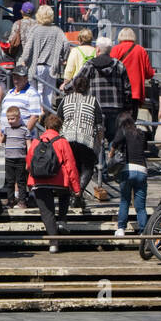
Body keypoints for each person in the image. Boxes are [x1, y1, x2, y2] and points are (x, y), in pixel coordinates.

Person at [26, 112, 81, 253]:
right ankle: (62, 220)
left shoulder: (36, 141)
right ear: (60, 127)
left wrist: (31, 181)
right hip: (59, 179)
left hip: (39, 181)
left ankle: (53, 243)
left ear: (45, 126)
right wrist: (76, 188)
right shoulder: (62, 142)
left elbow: (28, 163)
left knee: (47, 212)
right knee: (65, 194)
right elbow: (71, 165)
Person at [70, 37, 132, 144]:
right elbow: (127, 89)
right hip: (115, 108)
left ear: (97, 49)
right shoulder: (119, 65)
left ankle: (99, 160)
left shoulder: (90, 64)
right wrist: (126, 107)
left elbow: (77, 81)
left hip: (95, 107)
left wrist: (65, 87)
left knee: (95, 139)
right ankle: (111, 159)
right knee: (114, 139)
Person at [59, 69, 104, 209]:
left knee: (72, 168)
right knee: (88, 167)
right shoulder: (93, 101)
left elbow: (58, 118)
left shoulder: (66, 100)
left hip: (67, 139)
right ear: (88, 87)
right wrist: (100, 142)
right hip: (86, 139)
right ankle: (78, 193)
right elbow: (99, 125)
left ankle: (75, 195)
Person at [110, 113, 149, 237]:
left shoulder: (123, 131)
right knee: (141, 206)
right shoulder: (141, 133)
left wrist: (110, 155)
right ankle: (143, 231)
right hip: (142, 170)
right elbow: (145, 148)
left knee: (125, 200)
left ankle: (121, 229)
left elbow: (114, 144)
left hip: (128, 170)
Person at [17, 5, 70, 80]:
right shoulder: (57, 31)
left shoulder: (35, 30)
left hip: (35, 67)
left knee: (35, 91)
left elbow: (28, 48)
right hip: (51, 67)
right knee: (51, 91)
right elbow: (66, 44)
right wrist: (64, 58)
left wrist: (23, 60)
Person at [110, 27, 155, 116]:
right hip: (135, 92)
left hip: (119, 90)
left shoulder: (115, 49)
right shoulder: (141, 50)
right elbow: (149, 73)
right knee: (132, 120)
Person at [0, 105, 30, 209]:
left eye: (12, 119)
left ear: (19, 117)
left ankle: (22, 201)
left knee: (21, 181)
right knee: (10, 181)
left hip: (20, 159)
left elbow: (29, 144)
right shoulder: (6, 129)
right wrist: (0, 144)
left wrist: (29, 159)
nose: (10, 121)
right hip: (9, 158)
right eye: (8, 119)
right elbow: (3, 140)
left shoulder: (24, 130)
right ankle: (10, 201)